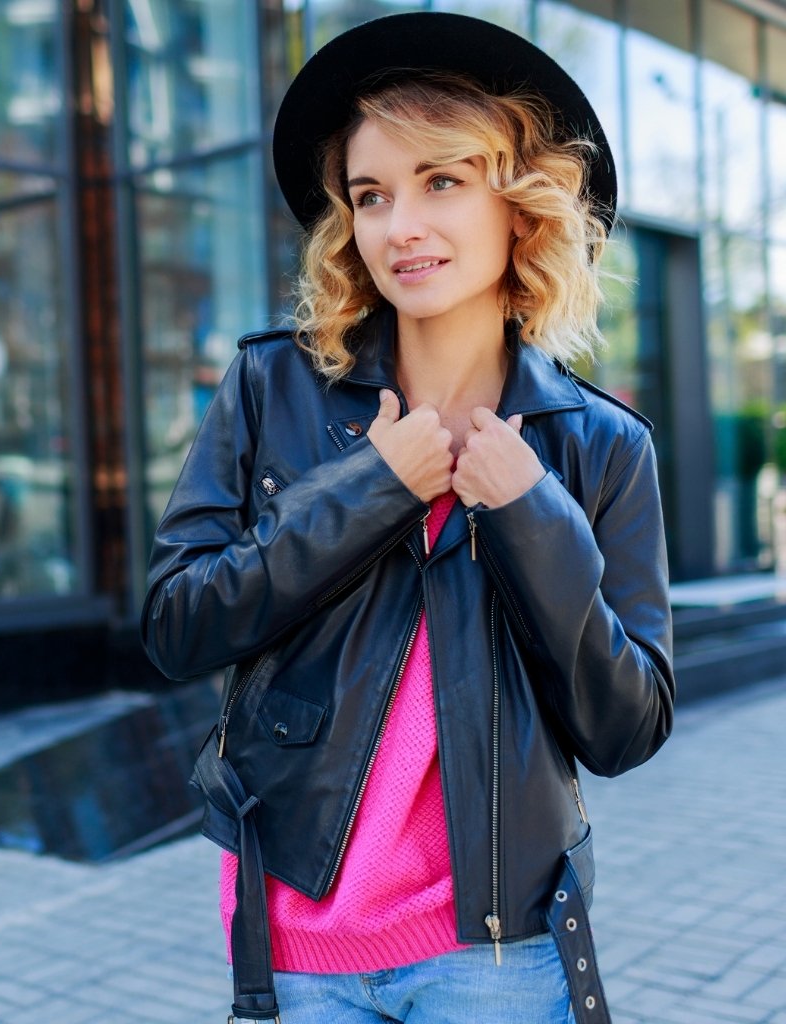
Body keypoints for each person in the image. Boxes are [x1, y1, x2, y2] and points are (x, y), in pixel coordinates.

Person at [140, 12, 674, 1024]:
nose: (399, 226)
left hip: (498, 949)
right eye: (371, 195)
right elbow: (177, 625)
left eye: (440, 181)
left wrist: (532, 516)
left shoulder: (602, 448)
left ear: (520, 205)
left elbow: (626, 726)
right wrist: (370, 489)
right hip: (296, 938)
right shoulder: (271, 387)